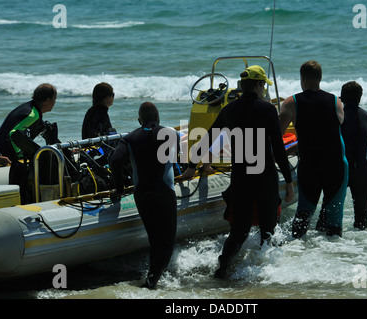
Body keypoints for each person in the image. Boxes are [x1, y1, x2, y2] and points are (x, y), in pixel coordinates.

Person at [182, 65, 294, 279]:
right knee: (268, 227)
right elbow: (278, 148)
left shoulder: (229, 110)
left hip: (241, 176)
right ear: (260, 85)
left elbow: (208, 138)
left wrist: (191, 166)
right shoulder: (267, 109)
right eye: (264, 85)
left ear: (243, 86)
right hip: (264, 175)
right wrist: (288, 181)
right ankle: (265, 274)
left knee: (239, 229)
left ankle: (222, 269)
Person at [110, 102, 178, 289]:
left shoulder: (129, 138)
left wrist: (119, 188)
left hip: (142, 195)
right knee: (166, 241)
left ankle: (152, 275)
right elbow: (176, 159)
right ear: (158, 118)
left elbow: (115, 160)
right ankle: (152, 281)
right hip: (164, 192)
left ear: (139, 120)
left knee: (154, 237)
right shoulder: (170, 134)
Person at [279, 60, 348, 238]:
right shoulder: (336, 101)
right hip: (336, 166)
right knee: (334, 219)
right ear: (320, 78)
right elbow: (331, 132)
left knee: (303, 215)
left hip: (310, 167)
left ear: (301, 78)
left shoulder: (291, 102)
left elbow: (276, 135)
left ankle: (295, 254)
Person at [0, 83, 58, 203]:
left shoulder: (29, 108)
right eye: (54, 99)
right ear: (47, 100)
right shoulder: (32, 115)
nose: (55, 102)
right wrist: (19, 155)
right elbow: (13, 135)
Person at [339, 81, 367, 230]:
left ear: (342, 98)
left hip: (342, 168)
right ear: (359, 98)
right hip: (363, 169)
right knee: (361, 217)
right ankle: (361, 248)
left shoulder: (338, 117)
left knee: (328, 212)